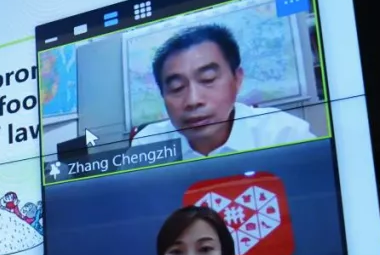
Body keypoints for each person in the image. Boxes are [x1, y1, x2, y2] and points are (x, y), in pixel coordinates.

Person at [131, 24, 315, 157]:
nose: (193, 100)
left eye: (208, 79)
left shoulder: (284, 134)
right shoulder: (148, 145)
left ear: (237, 79)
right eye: (176, 88)